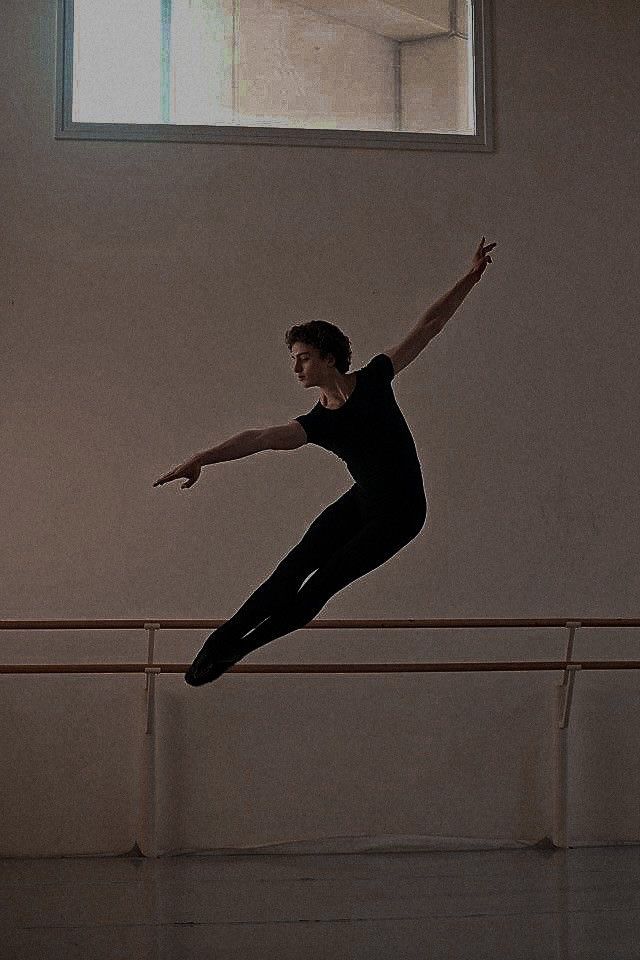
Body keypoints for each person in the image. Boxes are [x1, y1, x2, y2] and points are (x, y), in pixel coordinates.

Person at [154, 237, 496, 686]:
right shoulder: (320, 422)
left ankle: (237, 650)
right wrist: (204, 457)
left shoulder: (375, 379)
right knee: (291, 568)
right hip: (363, 502)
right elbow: (259, 438)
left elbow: (428, 326)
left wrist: (469, 279)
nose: (296, 368)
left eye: (303, 359)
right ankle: (220, 642)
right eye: (293, 360)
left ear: (328, 358)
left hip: (401, 516)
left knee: (318, 588)